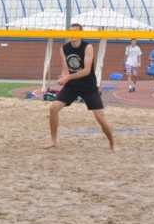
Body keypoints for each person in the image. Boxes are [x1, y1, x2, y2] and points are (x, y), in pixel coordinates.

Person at [45, 23, 117, 151]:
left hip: (89, 87)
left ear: (81, 34)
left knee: (100, 118)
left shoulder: (88, 47)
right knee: (53, 108)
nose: (72, 34)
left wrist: (68, 77)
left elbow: (86, 71)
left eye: (75, 31)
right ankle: (53, 140)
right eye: (70, 31)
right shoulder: (64, 49)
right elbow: (65, 69)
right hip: (72, 86)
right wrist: (63, 78)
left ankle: (112, 143)